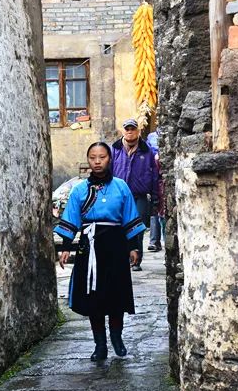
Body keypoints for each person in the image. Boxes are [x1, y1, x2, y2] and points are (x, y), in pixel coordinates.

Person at [55, 142, 146, 361]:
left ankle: (117, 337)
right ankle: (100, 345)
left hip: (115, 245)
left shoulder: (121, 187)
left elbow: (130, 217)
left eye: (102, 157)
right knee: (94, 297)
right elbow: (71, 218)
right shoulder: (80, 190)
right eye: (93, 158)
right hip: (90, 247)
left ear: (109, 159)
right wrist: (66, 247)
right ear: (89, 161)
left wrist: (133, 246)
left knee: (116, 294)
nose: (97, 162)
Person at [111, 119, 160, 271]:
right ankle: (122, 257)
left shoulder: (147, 151)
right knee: (119, 228)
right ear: (123, 131)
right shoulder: (115, 150)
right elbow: (109, 171)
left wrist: (155, 197)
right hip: (119, 196)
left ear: (138, 131)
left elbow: (155, 176)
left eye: (133, 129)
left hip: (140, 195)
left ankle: (136, 260)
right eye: (127, 129)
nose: (130, 131)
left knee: (137, 229)